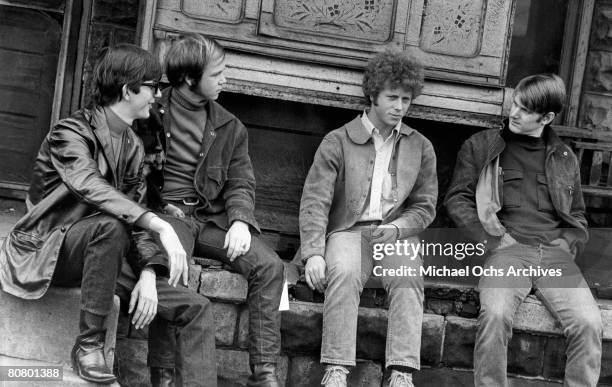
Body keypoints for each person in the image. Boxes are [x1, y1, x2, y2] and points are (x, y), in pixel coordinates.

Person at [0, 44, 216, 386]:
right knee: (110, 226)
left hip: (107, 255)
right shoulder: (69, 133)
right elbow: (90, 185)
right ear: (129, 89)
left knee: (196, 308)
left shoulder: (132, 144)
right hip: (48, 249)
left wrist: (148, 270)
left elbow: (135, 209)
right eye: (153, 86)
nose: (158, 96)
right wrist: (159, 223)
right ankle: (88, 346)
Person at [137, 33, 284, 387]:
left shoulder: (230, 126)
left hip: (213, 219)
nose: (225, 80)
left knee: (270, 266)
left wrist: (240, 222)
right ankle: (165, 375)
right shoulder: (150, 112)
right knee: (173, 267)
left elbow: (241, 182)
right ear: (189, 78)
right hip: (169, 219)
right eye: (217, 74)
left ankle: (263, 373)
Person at [444, 74, 603, 387]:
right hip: (506, 250)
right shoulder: (482, 146)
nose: (513, 112)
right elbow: (457, 199)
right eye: (514, 103)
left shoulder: (564, 157)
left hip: (555, 257)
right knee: (495, 316)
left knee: (588, 323)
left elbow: (578, 214)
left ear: (546, 117)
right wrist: (493, 240)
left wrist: (565, 243)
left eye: (524, 109)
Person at [298, 50, 437, 387]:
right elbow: (315, 201)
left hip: (393, 233)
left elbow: (425, 206)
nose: (400, 106)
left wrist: (398, 228)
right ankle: (336, 369)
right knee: (343, 271)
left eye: (406, 99)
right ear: (372, 95)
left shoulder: (420, 147)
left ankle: (402, 373)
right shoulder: (338, 141)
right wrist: (313, 253)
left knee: (408, 274)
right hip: (348, 231)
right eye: (392, 97)